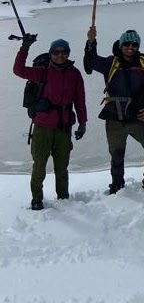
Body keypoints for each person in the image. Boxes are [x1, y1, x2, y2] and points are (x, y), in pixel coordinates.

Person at [13, 34, 87, 210]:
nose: (60, 55)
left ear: (68, 53)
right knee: (39, 166)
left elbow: (80, 100)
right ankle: (37, 199)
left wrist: (83, 123)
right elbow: (18, 70)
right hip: (43, 127)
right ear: (51, 54)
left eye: (64, 52)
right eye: (56, 52)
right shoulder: (42, 71)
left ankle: (63, 198)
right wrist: (25, 47)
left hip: (64, 128)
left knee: (62, 168)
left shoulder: (75, 74)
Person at [84, 27, 144, 193]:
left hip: (138, 115)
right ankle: (117, 184)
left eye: (134, 44)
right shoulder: (111, 63)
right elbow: (91, 61)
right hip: (114, 116)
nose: (130, 47)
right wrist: (91, 42)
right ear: (121, 44)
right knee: (117, 154)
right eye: (126, 43)